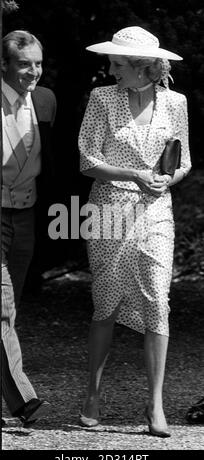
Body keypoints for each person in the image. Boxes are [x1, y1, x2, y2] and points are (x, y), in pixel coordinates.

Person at [78, 26, 191, 437]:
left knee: (157, 301)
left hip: (157, 212)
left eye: (117, 63)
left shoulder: (176, 103)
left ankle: (155, 404)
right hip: (109, 211)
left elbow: (184, 161)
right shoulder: (101, 98)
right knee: (105, 303)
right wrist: (134, 175)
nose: (110, 69)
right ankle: (92, 392)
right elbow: (87, 159)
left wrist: (167, 179)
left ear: (143, 68)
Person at [1, 30, 56, 426]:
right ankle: (22, 399)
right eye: (24, 64)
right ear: (4, 65)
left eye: (37, 63)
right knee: (1, 311)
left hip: (27, 215)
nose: (33, 71)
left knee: (11, 310)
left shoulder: (46, 100)